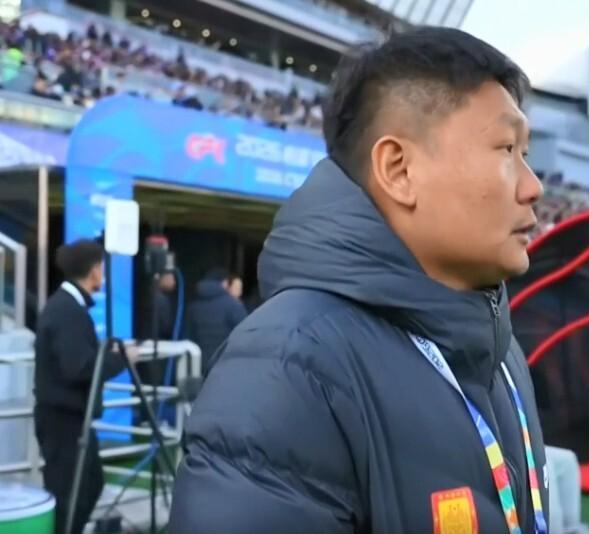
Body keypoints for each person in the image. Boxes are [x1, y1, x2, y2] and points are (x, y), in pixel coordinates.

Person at [169, 27, 549, 533]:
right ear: (399, 170)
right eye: (505, 148)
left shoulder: (499, 352)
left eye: (526, 154)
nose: (532, 186)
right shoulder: (290, 365)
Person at [34, 239, 138, 534]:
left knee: (89, 485)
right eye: (101, 268)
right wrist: (121, 359)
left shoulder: (66, 307)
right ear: (94, 271)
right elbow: (79, 368)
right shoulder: (68, 311)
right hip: (64, 421)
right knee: (70, 496)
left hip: (72, 419)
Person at [184, 268, 247, 370]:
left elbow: (187, 336)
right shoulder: (233, 305)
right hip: (225, 364)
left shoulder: (192, 307)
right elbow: (245, 336)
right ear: (224, 283)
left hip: (199, 365)